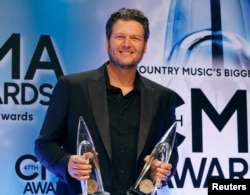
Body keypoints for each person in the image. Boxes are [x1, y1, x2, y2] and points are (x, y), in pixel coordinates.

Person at [34, 8, 179, 195]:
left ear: (145, 46)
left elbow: (170, 150)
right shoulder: (71, 87)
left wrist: (163, 169)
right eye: (120, 37)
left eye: (135, 38)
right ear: (107, 41)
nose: (127, 44)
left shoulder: (163, 97)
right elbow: (44, 145)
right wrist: (67, 164)